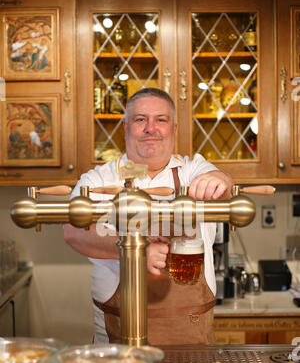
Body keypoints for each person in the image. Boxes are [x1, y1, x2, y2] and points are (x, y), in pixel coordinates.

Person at [64, 88, 233, 345]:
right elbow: (73, 232)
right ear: (126, 127)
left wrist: (219, 180)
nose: (150, 128)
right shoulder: (98, 179)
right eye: (140, 119)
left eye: (160, 120)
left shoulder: (193, 169)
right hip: (118, 339)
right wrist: (133, 250)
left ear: (174, 129)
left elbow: (225, 188)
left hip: (191, 338)